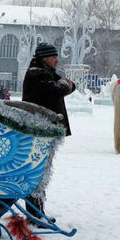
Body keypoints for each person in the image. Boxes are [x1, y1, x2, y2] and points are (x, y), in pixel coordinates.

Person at [21, 42, 75, 220]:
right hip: (39, 132)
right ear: (45, 58)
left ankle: (36, 212)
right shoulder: (36, 74)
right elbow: (57, 90)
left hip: (45, 131)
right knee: (37, 172)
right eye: (54, 56)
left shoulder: (45, 72)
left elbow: (68, 85)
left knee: (41, 171)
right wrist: (65, 85)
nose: (57, 60)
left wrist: (66, 85)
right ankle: (35, 214)